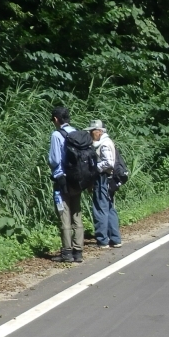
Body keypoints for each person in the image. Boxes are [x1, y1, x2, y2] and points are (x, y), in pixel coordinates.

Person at [48, 106, 84, 263]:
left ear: (56, 119)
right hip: (77, 180)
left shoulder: (57, 134)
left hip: (62, 181)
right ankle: (78, 251)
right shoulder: (76, 132)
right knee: (77, 214)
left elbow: (55, 160)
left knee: (64, 215)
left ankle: (67, 252)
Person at [88, 120, 122, 249]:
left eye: (92, 131)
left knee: (100, 209)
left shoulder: (104, 144)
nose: (91, 134)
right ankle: (115, 239)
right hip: (109, 179)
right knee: (109, 208)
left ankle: (102, 240)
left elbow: (108, 163)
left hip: (103, 179)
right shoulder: (105, 142)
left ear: (99, 131)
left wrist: (94, 168)